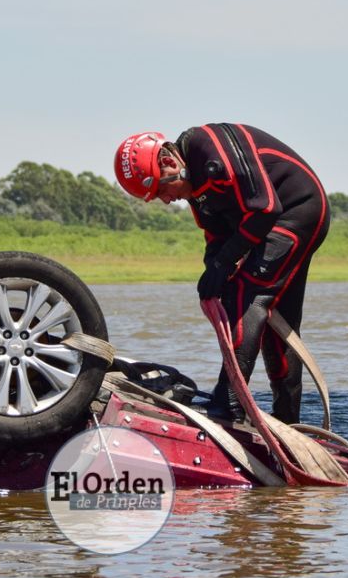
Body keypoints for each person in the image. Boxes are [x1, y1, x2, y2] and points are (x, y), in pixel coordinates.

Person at [113, 124, 329, 424]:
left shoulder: (210, 150)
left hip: (297, 209)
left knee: (247, 296)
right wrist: (212, 269)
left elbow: (265, 208)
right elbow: (216, 232)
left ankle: (229, 403)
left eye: (161, 189)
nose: (165, 200)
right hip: (268, 219)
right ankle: (290, 421)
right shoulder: (191, 181)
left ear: (168, 162)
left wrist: (225, 263)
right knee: (270, 315)